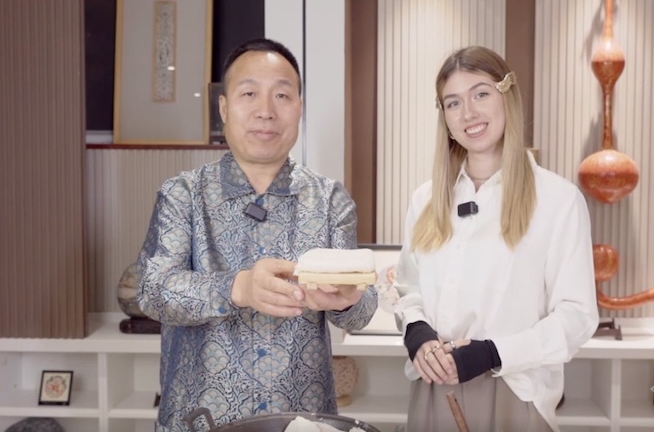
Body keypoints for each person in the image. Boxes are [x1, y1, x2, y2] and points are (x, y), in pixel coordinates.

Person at [135, 38, 378, 432]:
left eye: (282, 95)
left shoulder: (331, 200)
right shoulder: (183, 195)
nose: (266, 110)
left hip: (302, 421)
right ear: (224, 108)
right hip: (202, 421)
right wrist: (238, 288)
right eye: (249, 93)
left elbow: (363, 311)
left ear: (299, 107)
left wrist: (348, 300)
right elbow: (153, 290)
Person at [393, 45, 598, 432]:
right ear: (444, 117)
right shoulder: (425, 200)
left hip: (514, 395)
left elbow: (577, 317)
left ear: (507, 96)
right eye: (453, 103)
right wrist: (417, 332)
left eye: (481, 94)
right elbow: (408, 289)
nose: (468, 113)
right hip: (432, 390)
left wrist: (493, 353)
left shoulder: (558, 200)